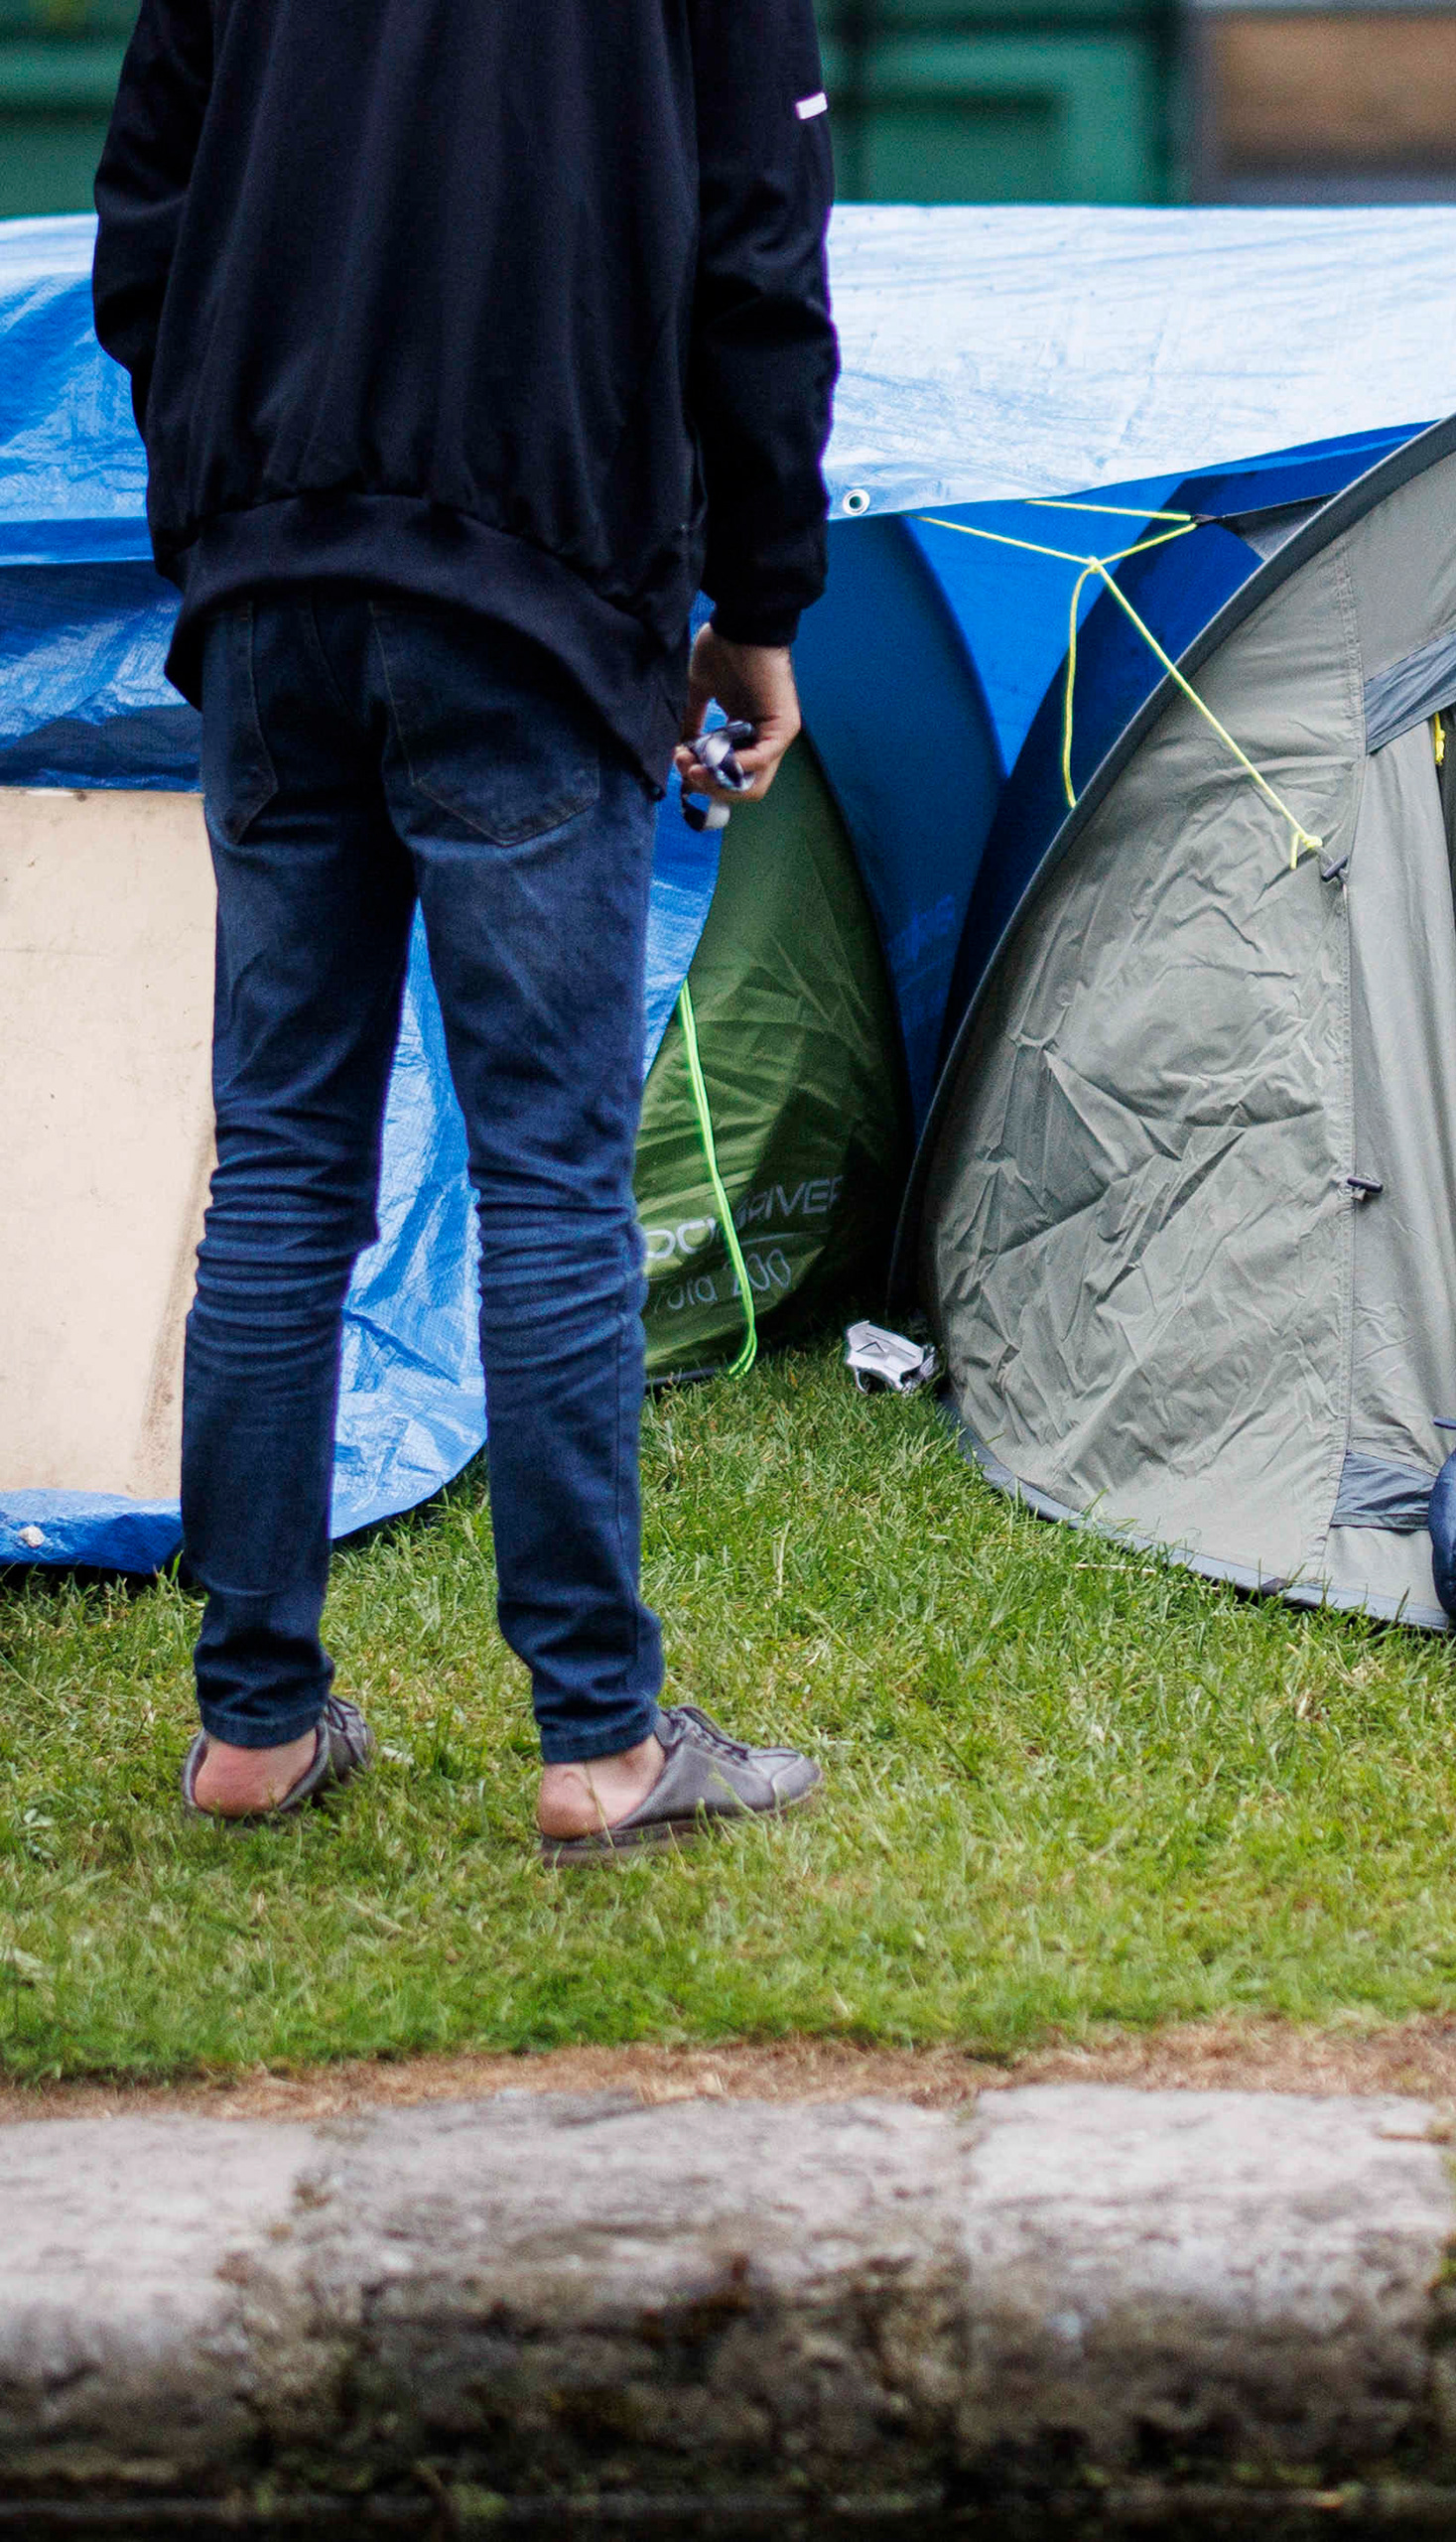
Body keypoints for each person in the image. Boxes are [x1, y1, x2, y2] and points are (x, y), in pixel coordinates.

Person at [94, 0, 839, 1858]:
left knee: (278, 1166)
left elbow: (142, 240)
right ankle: (598, 1739)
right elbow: (759, 256)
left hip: (269, 584)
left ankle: (252, 1724)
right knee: (551, 1181)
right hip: (539, 577)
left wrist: (237, 471)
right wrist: (759, 601)